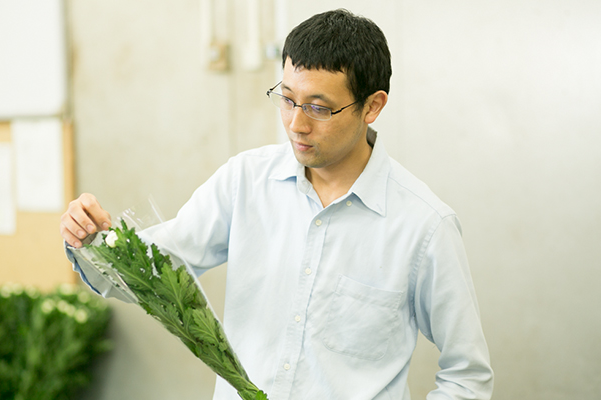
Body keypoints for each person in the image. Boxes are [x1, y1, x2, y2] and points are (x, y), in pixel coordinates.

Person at [60, 9, 493, 400]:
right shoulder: (245, 181)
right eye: (287, 98)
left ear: (372, 106)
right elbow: (151, 272)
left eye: (318, 108)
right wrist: (95, 244)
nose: (295, 123)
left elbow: (467, 376)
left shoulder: (424, 225)